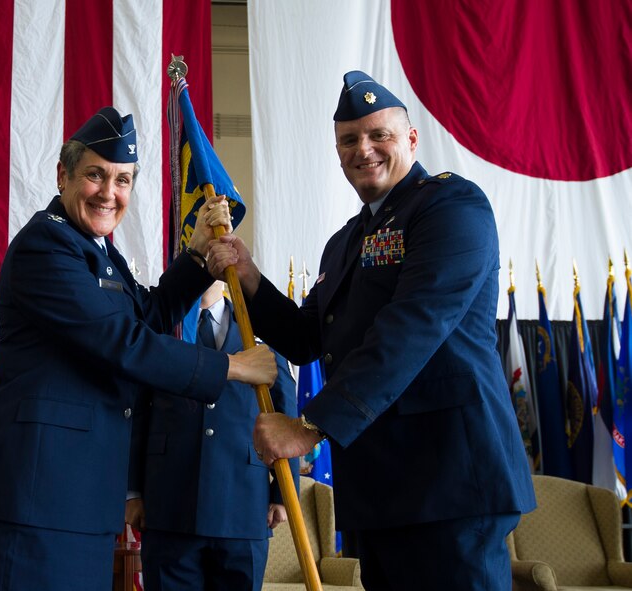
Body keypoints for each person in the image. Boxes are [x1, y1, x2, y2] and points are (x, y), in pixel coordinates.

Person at [207, 72, 536, 590]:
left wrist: (309, 426)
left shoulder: (452, 208)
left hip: (449, 479)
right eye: (348, 140)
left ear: (410, 139)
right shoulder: (345, 243)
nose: (363, 149)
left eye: (378, 134)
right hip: (379, 489)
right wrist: (249, 277)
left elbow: (412, 328)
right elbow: (303, 336)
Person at [0, 107, 278, 591]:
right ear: (63, 175)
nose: (109, 193)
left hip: (78, 500)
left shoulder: (97, 251)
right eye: (96, 175)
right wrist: (231, 366)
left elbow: (148, 314)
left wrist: (200, 257)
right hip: (35, 500)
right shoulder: (47, 247)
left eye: (122, 181)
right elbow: (124, 342)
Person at [126, 280, 300, 591]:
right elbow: (136, 412)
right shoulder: (159, 327)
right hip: (169, 503)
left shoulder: (258, 333)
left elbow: (285, 416)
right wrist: (132, 492)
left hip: (243, 504)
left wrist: (283, 495)